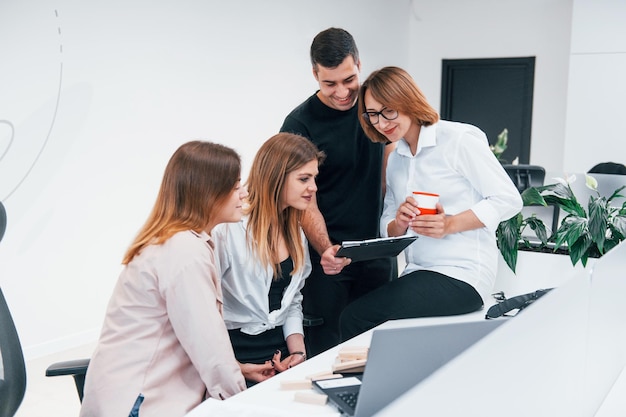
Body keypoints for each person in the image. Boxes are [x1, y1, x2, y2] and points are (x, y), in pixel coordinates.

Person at [339, 66, 523, 340]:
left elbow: (509, 199)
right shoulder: (396, 159)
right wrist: (398, 222)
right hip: (418, 273)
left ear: (407, 100)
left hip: (463, 274)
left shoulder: (458, 139)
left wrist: (450, 224)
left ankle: (361, 383)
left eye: (388, 110)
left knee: (355, 317)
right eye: (373, 115)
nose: (381, 122)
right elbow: (386, 225)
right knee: (364, 316)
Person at [80, 141, 248, 417]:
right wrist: (245, 404)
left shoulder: (176, 242)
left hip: (131, 396)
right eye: (234, 186)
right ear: (208, 192)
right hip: (141, 404)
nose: (242, 194)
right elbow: (210, 348)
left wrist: (238, 370)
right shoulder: (184, 250)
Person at [280, 27, 395, 356]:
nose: (342, 92)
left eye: (349, 79)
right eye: (329, 83)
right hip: (326, 262)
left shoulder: (377, 112)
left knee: (379, 351)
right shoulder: (299, 125)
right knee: (329, 355)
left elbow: (390, 178)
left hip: (377, 255)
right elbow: (304, 202)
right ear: (315, 73)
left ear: (358, 64)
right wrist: (327, 249)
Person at [213, 133, 325, 386]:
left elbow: (292, 302)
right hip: (233, 356)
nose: (314, 188)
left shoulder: (296, 232)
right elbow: (208, 310)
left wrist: (298, 352)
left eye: (314, 178)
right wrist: (235, 367)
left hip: (279, 355)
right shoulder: (229, 229)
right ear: (276, 178)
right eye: (304, 179)